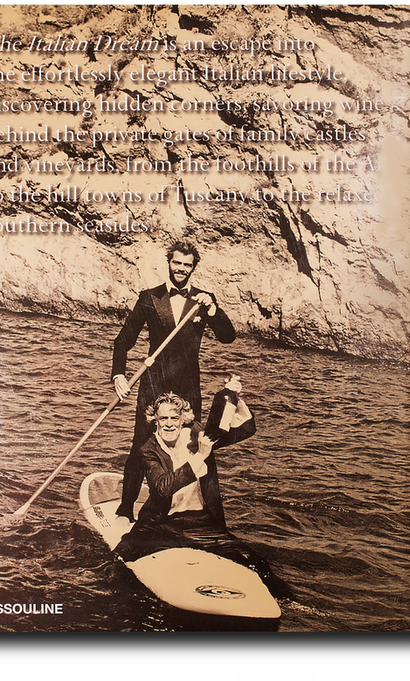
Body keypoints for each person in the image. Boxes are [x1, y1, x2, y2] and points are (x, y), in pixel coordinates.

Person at [111, 240, 236, 521]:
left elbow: (228, 337)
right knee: (141, 446)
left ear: (193, 268)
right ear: (169, 263)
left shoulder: (203, 300)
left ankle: (204, 516)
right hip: (152, 386)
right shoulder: (149, 297)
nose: (181, 268)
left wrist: (213, 310)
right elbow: (123, 341)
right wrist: (119, 375)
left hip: (188, 390)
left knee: (196, 448)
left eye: (186, 265)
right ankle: (125, 509)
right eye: (176, 262)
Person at [113, 389, 277, 589]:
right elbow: (163, 488)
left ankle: (286, 602)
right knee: (118, 558)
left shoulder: (195, 435)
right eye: (163, 418)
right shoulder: (148, 450)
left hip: (200, 524)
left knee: (256, 563)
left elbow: (246, 430)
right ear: (155, 420)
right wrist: (200, 456)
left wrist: (235, 399)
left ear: (183, 419)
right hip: (160, 525)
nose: (169, 424)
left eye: (174, 418)